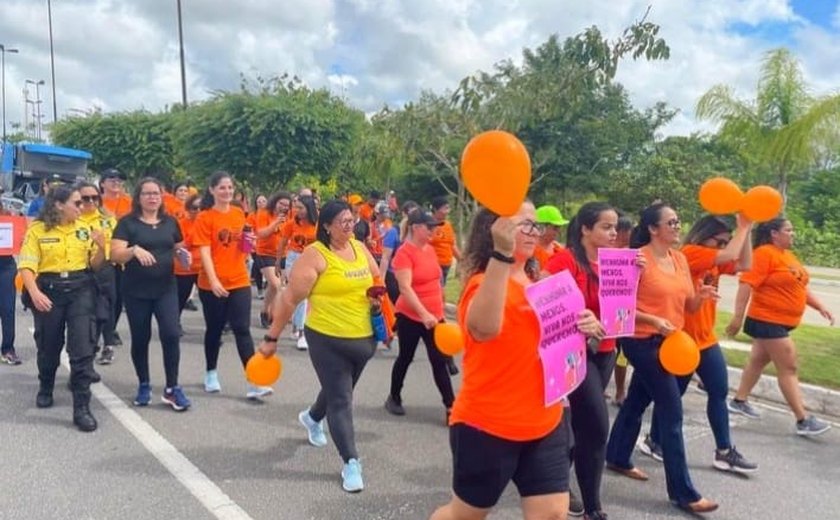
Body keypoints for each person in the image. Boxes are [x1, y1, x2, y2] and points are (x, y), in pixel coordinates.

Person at [430, 201, 603, 520]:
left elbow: (559, 344)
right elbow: (482, 329)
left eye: (535, 225)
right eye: (523, 224)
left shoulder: (544, 285)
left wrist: (587, 325)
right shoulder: (483, 283)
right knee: (465, 514)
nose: (533, 231)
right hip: (488, 424)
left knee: (553, 513)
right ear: (495, 231)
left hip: (546, 421)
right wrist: (501, 254)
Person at [258, 199, 381, 493]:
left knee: (339, 388)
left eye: (352, 220)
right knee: (342, 400)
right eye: (343, 222)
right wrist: (272, 338)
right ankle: (351, 462)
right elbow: (290, 299)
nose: (350, 226)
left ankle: (312, 417)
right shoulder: (315, 255)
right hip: (327, 338)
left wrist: (379, 299)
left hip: (364, 338)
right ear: (326, 226)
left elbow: (376, 277)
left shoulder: (360, 248)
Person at [604, 203, 718, 514]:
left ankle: (615, 455)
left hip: (671, 343)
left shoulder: (679, 259)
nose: (678, 226)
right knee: (672, 412)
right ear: (653, 229)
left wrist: (702, 296)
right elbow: (618, 306)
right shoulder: (637, 259)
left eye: (679, 221)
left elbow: (688, 306)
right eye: (671, 222)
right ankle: (684, 492)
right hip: (642, 342)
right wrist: (654, 321)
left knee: (637, 400)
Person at [636, 214, 758, 474]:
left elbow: (745, 263)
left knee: (718, 390)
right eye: (720, 242)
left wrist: (747, 231)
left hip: (705, 339)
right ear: (705, 236)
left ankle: (724, 451)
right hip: (682, 339)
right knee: (671, 397)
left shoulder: (714, 259)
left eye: (727, 242)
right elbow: (729, 256)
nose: (724, 247)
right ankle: (654, 440)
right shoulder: (691, 253)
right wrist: (743, 226)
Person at [545, 201, 634, 520]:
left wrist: (635, 280)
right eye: (606, 227)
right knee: (597, 425)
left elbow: (622, 310)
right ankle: (593, 508)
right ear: (585, 228)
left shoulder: (617, 263)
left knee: (584, 428)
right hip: (572, 353)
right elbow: (545, 309)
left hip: (606, 350)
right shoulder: (563, 262)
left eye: (616, 227)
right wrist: (577, 319)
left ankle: (554, 479)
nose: (614, 233)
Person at [726, 218, 834, 436]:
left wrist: (819, 306)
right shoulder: (764, 254)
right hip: (767, 320)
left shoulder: (787, 256)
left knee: (757, 361)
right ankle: (803, 420)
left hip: (780, 322)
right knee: (789, 367)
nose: (793, 233)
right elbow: (746, 284)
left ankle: (738, 401)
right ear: (774, 233)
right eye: (789, 230)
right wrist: (738, 317)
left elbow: (799, 287)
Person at [18, 185, 106, 432]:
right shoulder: (37, 230)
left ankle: (81, 408)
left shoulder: (84, 229)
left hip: (80, 289)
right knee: (48, 346)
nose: (82, 207)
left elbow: (95, 265)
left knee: (82, 349)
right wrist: (35, 293)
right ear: (59, 205)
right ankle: (46, 385)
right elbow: (26, 265)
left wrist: (101, 248)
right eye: (76, 203)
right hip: (49, 289)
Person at [111, 177, 191, 411]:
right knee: (141, 337)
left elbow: (178, 247)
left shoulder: (170, 222)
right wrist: (134, 250)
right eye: (147, 193)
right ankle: (144, 383)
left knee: (171, 333)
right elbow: (115, 255)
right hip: (136, 290)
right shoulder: (127, 223)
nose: (152, 197)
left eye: (156, 193)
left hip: (166, 288)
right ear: (139, 197)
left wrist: (183, 256)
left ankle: (172, 388)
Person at [193, 171, 272, 399]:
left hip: (239, 280)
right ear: (212, 190)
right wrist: (214, 280)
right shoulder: (205, 217)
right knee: (215, 330)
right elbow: (205, 251)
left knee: (241, 329)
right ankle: (210, 372)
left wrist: (250, 244)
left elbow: (245, 247)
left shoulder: (239, 213)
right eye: (222, 188)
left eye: (229, 187)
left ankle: (254, 381)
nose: (227, 191)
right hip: (212, 284)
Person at [384, 210, 454, 418]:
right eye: (429, 227)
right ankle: (394, 397)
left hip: (434, 316)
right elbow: (405, 288)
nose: (434, 231)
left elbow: (436, 280)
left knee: (439, 360)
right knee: (406, 357)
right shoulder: (404, 254)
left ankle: (451, 406)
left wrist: (440, 309)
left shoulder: (429, 250)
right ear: (415, 228)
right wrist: (423, 314)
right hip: (411, 316)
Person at [76, 181, 120, 366]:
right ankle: (87, 350)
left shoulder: (108, 219)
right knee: (85, 314)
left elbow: (118, 241)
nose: (91, 201)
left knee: (106, 310)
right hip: (81, 271)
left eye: (95, 197)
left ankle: (108, 344)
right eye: (86, 198)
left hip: (105, 269)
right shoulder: (73, 219)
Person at [279, 195, 318, 350]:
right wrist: (279, 263)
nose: (298, 210)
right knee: (301, 296)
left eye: (301, 207)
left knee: (305, 296)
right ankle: (302, 333)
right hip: (293, 259)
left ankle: (298, 328)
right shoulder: (291, 224)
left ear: (309, 209)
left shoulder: (318, 224)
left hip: (311, 259)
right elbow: (282, 243)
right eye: (297, 207)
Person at [255, 191, 291, 328]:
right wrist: (275, 223)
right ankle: (265, 311)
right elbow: (261, 233)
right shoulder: (264, 214)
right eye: (281, 203)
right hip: (265, 254)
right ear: (275, 202)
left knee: (276, 287)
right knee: (276, 285)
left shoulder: (289, 218)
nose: (283, 207)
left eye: (287, 205)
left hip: (281, 255)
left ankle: (270, 313)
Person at [610, 212, 634, 406]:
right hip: (606, 312)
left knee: (621, 355)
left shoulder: (633, 254)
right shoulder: (604, 252)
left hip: (624, 313)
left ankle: (620, 391)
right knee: (607, 352)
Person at [0, 190, 21, 365]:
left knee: (7, 309)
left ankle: (8, 348)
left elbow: (20, 240)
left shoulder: (8, 216)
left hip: (5, 266)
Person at [175, 194, 202, 320]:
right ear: (188, 209)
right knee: (180, 298)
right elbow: (183, 245)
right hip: (184, 268)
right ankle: (175, 323)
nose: (198, 211)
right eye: (194, 208)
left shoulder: (208, 223)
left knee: (211, 300)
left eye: (201, 208)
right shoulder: (181, 224)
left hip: (203, 268)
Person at [428, 196, 461, 288]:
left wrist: (461, 260)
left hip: (446, 264)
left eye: (448, 208)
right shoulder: (428, 225)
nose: (447, 211)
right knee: (437, 290)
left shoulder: (448, 225)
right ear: (435, 209)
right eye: (445, 208)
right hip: (433, 265)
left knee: (441, 289)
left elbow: (452, 244)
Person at [534, 205, 568, 272]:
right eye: (555, 228)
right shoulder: (529, 252)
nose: (559, 231)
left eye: (560, 227)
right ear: (540, 227)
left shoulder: (560, 250)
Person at [248, 194, 269, 299]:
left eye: (263, 201)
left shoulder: (270, 214)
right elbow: (249, 229)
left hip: (268, 245)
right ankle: (260, 288)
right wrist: (252, 242)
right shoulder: (252, 215)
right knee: (257, 267)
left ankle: (267, 284)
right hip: (255, 245)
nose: (261, 203)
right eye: (259, 202)